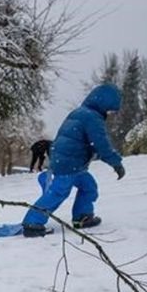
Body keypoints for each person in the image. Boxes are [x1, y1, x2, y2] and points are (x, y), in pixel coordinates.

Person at [21, 83, 126, 237]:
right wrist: (116, 162)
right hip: (68, 164)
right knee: (58, 193)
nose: (109, 113)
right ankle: (32, 223)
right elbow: (101, 144)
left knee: (88, 186)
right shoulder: (92, 118)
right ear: (104, 103)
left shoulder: (79, 113)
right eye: (110, 109)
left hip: (71, 162)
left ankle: (82, 217)